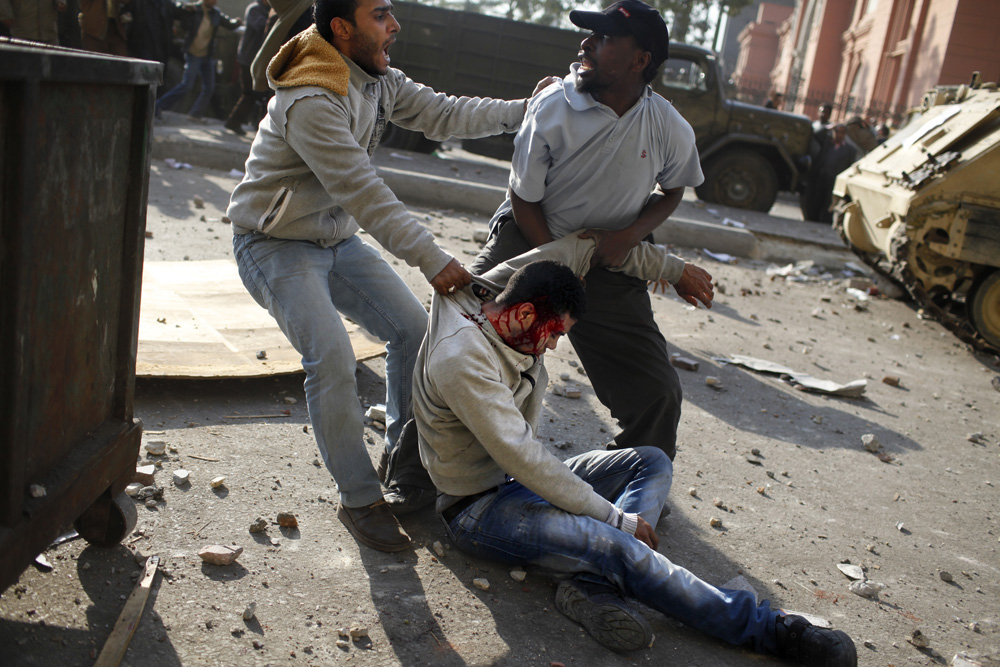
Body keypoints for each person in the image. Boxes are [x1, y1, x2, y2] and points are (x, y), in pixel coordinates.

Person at [413, 239, 857, 665]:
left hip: (518, 484)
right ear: (524, 310)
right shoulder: (462, 358)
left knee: (651, 460)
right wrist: (615, 518)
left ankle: (589, 587)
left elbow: (571, 247)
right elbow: (523, 456)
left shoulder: (504, 310)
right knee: (615, 541)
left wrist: (659, 265)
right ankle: (768, 628)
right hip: (479, 508)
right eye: (552, 335)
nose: (551, 347)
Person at [227, 0, 552, 553]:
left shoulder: (375, 79)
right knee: (331, 357)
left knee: (414, 332)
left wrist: (526, 110)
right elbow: (364, 192)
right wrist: (432, 258)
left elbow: (445, 113)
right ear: (341, 28)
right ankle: (360, 499)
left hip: (336, 241)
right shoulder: (310, 98)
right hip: (274, 244)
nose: (395, 26)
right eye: (381, 15)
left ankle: (406, 467)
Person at [468, 0, 710, 463]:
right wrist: (556, 266)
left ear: (640, 60)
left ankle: (633, 482)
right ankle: (413, 477)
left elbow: (674, 190)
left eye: (603, 39)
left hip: (607, 256)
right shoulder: (554, 106)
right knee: (463, 335)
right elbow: (523, 197)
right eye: (589, 35)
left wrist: (626, 237)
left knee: (656, 394)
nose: (586, 43)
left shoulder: (668, 126)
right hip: (531, 234)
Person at [154, 0, 241, 119]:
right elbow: (182, 20)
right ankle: (158, 106)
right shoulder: (194, 10)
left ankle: (195, 114)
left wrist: (237, 22)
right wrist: (186, 11)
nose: (214, 2)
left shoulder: (215, 14)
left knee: (209, 88)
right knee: (186, 85)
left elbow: (228, 24)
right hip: (193, 53)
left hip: (207, 55)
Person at [224, 0, 270, 135]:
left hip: (256, 59)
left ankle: (236, 122)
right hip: (248, 59)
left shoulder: (265, 10)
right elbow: (261, 25)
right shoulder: (255, 9)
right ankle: (234, 122)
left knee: (255, 94)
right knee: (249, 93)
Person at [127, 0, 174, 69]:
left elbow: (177, 12)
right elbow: (126, 9)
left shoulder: (165, 3)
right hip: (142, 44)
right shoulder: (137, 2)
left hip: (161, 46)